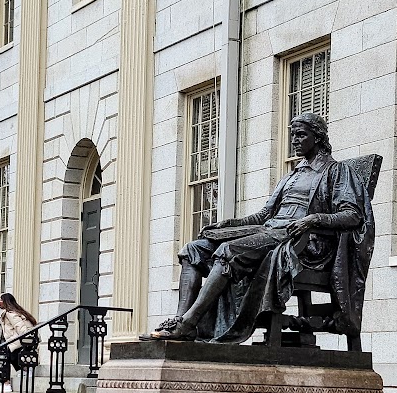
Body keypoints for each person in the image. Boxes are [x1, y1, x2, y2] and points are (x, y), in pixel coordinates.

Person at [151, 112, 374, 344]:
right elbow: (265, 214)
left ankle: (189, 323)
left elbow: (353, 215)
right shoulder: (293, 175)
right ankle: (179, 321)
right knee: (194, 249)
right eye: (293, 135)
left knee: (228, 252)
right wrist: (230, 224)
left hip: (303, 244)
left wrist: (314, 219)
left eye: (300, 135)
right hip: (271, 231)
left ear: (317, 137)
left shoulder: (336, 171)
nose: (294, 140)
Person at [0, 293, 37, 392]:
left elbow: (21, 328)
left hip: (18, 342)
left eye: (1, 300)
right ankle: (25, 370)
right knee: (8, 356)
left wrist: (26, 341)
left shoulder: (10, 314)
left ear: (6, 302)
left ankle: (6, 384)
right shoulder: (16, 312)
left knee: (6, 358)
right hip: (18, 342)